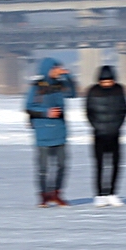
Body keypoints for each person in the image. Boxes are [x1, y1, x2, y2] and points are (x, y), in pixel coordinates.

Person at [24, 58, 77, 207]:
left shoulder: (60, 85)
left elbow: (72, 93)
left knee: (62, 165)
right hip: (43, 133)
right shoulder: (37, 87)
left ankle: (56, 193)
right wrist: (47, 112)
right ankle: (44, 195)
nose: (57, 70)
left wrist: (67, 76)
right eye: (55, 68)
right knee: (43, 168)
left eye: (58, 68)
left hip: (60, 131)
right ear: (47, 69)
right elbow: (29, 107)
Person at [84, 65, 126, 206]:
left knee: (116, 164)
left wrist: (118, 126)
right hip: (99, 134)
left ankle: (112, 193)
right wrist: (96, 126)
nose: (107, 84)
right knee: (99, 165)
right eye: (104, 81)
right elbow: (88, 112)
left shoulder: (119, 90)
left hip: (115, 133)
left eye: (109, 81)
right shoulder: (92, 91)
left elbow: (124, 110)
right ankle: (99, 194)